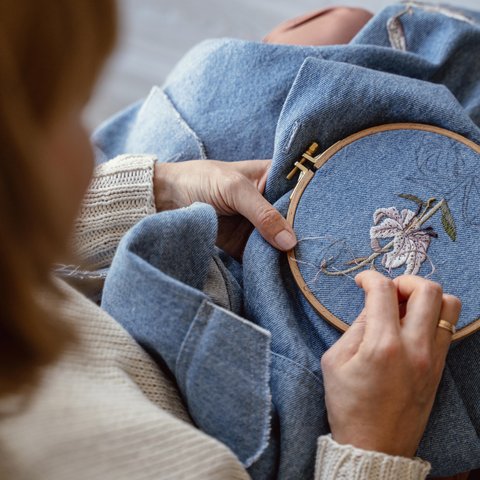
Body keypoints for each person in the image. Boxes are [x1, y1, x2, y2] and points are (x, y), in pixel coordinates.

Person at [0, 1, 462, 479]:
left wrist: (160, 188)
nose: (88, 143)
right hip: (286, 432)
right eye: (67, 113)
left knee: (251, 65)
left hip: (119, 267)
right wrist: (373, 447)